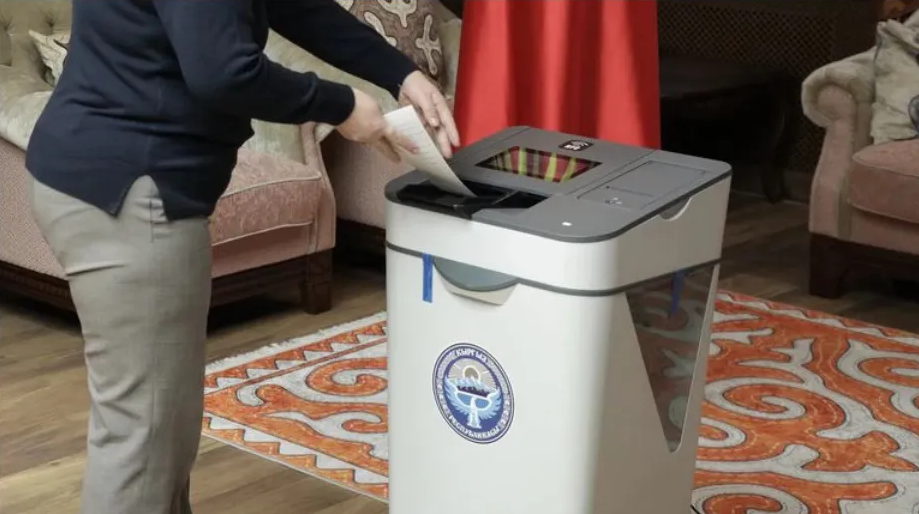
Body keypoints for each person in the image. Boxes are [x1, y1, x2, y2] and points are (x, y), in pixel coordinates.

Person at [24, 1, 460, 513]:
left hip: (101, 175)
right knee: (144, 437)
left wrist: (400, 73)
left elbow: (293, 7)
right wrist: (339, 105)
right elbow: (222, 71)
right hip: (129, 189)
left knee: (162, 427)